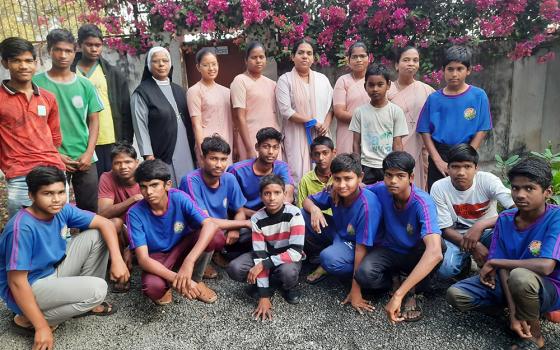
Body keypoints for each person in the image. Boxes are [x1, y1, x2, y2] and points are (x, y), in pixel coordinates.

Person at [0, 166, 129, 349]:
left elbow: (105, 223)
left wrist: (117, 259)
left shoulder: (61, 210)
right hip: (31, 284)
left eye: (61, 192)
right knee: (98, 289)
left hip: (52, 269)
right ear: (31, 195)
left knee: (97, 235)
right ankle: (26, 319)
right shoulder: (21, 228)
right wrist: (42, 327)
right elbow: (17, 283)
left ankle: (84, 301)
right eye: (48, 193)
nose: (56, 199)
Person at [446, 157, 560, 349]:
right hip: (513, 281)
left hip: (549, 287)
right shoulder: (505, 219)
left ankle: (535, 337)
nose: (520, 194)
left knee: (521, 277)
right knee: (456, 294)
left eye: (529, 188)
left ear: (547, 192)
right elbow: (502, 269)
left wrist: (497, 262)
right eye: (515, 188)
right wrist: (514, 314)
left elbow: (546, 266)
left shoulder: (556, 217)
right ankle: (518, 313)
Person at [127, 159, 250, 305]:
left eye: (154, 185)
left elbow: (210, 225)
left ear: (167, 185)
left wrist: (189, 261)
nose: (149, 192)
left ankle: (197, 279)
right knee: (153, 288)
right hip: (157, 256)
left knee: (215, 237)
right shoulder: (134, 213)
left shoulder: (178, 197)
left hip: (183, 246)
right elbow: (143, 260)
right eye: (143, 187)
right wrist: (179, 280)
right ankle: (180, 282)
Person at [357, 151, 443, 323]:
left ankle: (412, 291)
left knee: (439, 245)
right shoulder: (382, 189)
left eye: (400, 176)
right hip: (389, 249)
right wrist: (332, 190)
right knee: (364, 274)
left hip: (414, 253)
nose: (393, 181)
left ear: (411, 177)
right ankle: (395, 279)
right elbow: (358, 188)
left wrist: (398, 296)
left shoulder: (423, 202)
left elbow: (435, 253)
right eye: (388, 175)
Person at [33, 29, 103, 212]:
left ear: (75, 52)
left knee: (89, 209)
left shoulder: (85, 84)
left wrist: (89, 153)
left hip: (84, 158)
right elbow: (34, 126)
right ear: (49, 51)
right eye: (58, 49)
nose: (63, 55)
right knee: (52, 209)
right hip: (50, 157)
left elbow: (94, 121)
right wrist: (54, 154)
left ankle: (89, 241)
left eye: (68, 51)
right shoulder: (35, 84)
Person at [0, 37, 65, 218]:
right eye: (16, 61)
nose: (24, 66)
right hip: (20, 176)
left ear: (35, 63)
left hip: (53, 171)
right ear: (5, 63)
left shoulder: (48, 97)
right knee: (22, 231)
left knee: (58, 228)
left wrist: (53, 162)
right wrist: (9, 166)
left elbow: (55, 136)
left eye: (29, 61)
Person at [303, 154, 382, 299]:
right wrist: (315, 209)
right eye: (337, 179)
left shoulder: (367, 205)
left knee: (328, 258)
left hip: (357, 244)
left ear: (360, 177)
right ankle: (322, 256)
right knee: (303, 215)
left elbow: (361, 247)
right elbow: (307, 201)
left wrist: (355, 289)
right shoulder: (334, 190)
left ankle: (359, 277)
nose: (342, 184)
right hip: (339, 231)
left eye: (348, 178)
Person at [227, 174, 305, 321]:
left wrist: (263, 265)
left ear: (284, 194)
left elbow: (295, 252)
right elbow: (259, 254)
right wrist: (264, 296)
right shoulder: (257, 218)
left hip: (287, 256)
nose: (272, 198)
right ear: (261, 196)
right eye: (267, 193)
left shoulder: (295, 213)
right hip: (265, 254)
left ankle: (289, 286)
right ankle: (267, 284)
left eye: (277, 193)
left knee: (288, 272)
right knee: (235, 268)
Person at [431, 144, 514, 280]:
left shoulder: (488, 180)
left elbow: (515, 208)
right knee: (444, 271)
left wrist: (481, 225)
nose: (461, 172)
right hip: (457, 236)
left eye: (467, 167)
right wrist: (476, 247)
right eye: (455, 166)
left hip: (488, 232)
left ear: (476, 168)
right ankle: (465, 263)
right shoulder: (439, 187)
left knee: (508, 239)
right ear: (448, 168)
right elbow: (445, 229)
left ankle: (498, 270)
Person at [417, 45, 492, 191]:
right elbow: (424, 130)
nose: (454, 74)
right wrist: (437, 160)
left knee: (465, 197)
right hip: (440, 154)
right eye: (450, 69)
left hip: (467, 150)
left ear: (468, 70)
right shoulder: (434, 99)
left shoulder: (478, 96)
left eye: (459, 69)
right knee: (438, 196)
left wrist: (467, 157)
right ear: (443, 70)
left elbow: (482, 128)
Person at [179, 135, 247, 276]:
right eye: (213, 158)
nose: (219, 164)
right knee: (213, 234)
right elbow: (206, 221)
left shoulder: (229, 178)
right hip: (195, 231)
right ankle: (196, 272)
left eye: (223, 159)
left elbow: (240, 210)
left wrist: (236, 227)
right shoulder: (191, 180)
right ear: (203, 159)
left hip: (221, 226)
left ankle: (216, 253)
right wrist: (244, 223)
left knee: (252, 230)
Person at [73, 24, 133, 177]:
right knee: (90, 187)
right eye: (89, 45)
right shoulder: (71, 72)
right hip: (81, 139)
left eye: (98, 45)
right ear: (79, 45)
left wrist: (125, 141)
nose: (94, 49)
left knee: (112, 184)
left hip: (109, 137)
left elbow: (125, 109)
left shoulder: (113, 73)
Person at [131, 46, 196, 186]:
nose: (161, 64)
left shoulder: (179, 90)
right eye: (156, 61)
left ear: (170, 64)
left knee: (188, 184)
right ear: (149, 65)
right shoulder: (142, 93)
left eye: (165, 61)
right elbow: (140, 125)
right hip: (162, 150)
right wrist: (148, 155)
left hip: (185, 147)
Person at [276, 39, 333, 183]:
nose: (305, 56)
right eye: (300, 53)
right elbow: (286, 111)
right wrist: (312, 122)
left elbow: (331, 106)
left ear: (314, 58)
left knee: (325, 171)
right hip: (296, 134)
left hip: (321, 133)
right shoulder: (285, 80)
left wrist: (325, 124)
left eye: (309, 53)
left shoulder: (323, 80)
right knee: (297, 173)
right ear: (293, 56)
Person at [350, 63, 408, 185]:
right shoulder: (359, 112)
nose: (375, 89)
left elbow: (397, 143)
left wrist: (397, 168)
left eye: (380, 84)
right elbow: (356, 143)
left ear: (388, 85)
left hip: (388, 166)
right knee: (366, 198)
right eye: (371, 85)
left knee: (388, 198)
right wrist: (357, 168)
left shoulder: (396, 111)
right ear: (365, 86)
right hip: (366, 166)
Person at [387, 45, 435, 189]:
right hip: (391, 147)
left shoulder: (427, 91)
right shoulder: (387, 90)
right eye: (406, 60)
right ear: (396, 64)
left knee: (417, 188)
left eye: (415, 60)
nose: (411, 64)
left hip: (420, 149)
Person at [97, 142, 142, 290]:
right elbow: (102, 214)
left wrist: (132, 246)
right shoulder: (107, 178)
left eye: (128, 162)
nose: (123, 167)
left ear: (137, 162)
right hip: (122, 231)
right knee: (113, 222)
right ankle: (121, 266)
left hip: (144, 228)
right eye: (118, 163)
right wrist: (132, 199)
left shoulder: (146, 174)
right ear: (112, 164)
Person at [228, 127, 294, 218]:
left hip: (273, 214)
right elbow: (229, 203)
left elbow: (288, 196)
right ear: (257, 147)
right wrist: (258, 216)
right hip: (244, 218)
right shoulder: (236, 170)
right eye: (266, 147)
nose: (271, 152)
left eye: (275, 147)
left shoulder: (282, 167)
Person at [230, 42, 280, 161]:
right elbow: (239, 117)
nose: (258, 60)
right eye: (254, 57)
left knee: (273, 177)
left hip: (272, 140)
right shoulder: (240, 81)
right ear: (246, 60)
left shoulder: (272, 84)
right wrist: (249, 148)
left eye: (261, 57)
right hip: (251, 139)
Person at [187, 48, 233, 164]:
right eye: (206, 65)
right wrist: (203, 150)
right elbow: (196, 124)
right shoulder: (194, 91)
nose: (211, 68)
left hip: (227, 144)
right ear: (198, 67)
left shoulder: (227, 91)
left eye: (214, 64)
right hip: (208, 148)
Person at [332, 42, 370, 154]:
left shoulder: (375, 80)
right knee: (347, 167)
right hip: (348, 132)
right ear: (348, 60)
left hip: (372, 132)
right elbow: (339, 112)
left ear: (369, 58)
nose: (359, 60)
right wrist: (367, 119)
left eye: (362, 56)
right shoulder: (343, 81)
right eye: (354, 57)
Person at [296, 136, 336, 209]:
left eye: (325, 153)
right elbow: (301, 209)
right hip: (313, 218)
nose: (321, 158)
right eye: (317, 154)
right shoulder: (306, 180)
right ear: (312, 156)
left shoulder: (339, 177)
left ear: (333, 153)